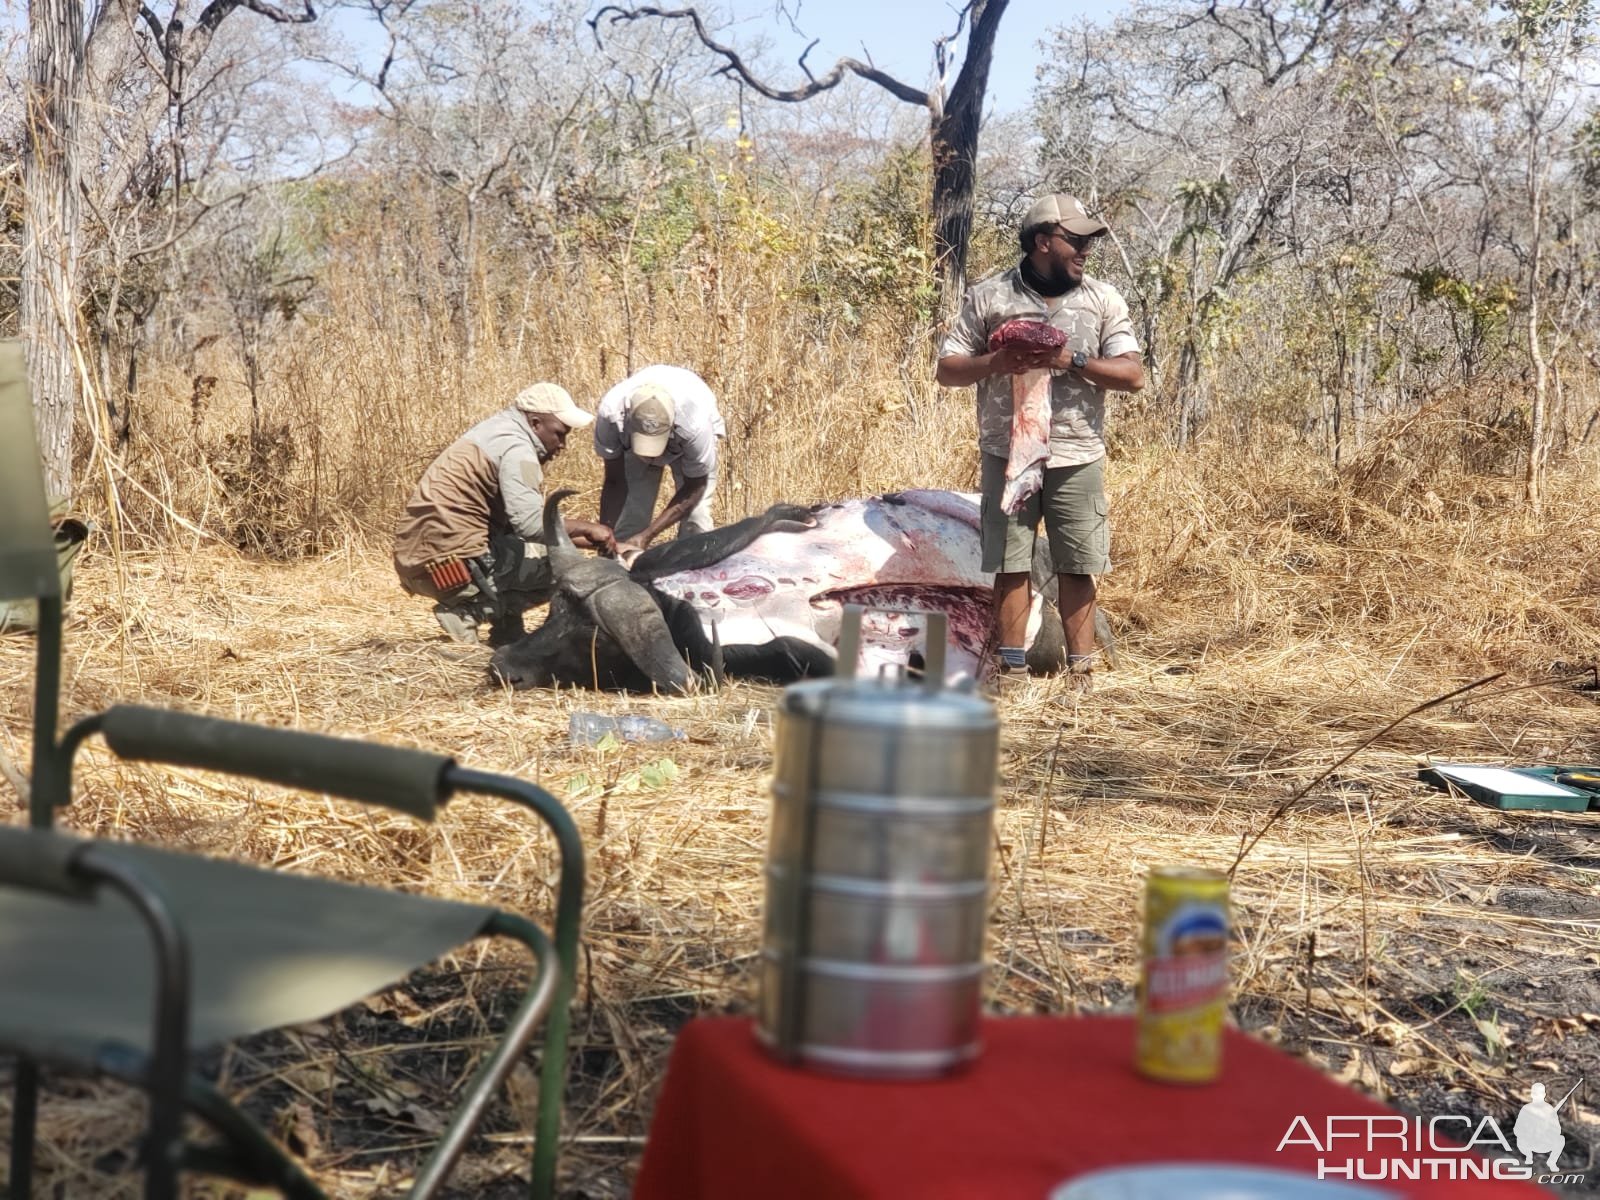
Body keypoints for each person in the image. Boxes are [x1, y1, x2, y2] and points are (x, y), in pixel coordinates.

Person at [935, 193, 1145, 694]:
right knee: (1010, 563)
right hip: (1008, 455)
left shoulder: (1102, 299)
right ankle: (1013, 675)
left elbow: (1133, 375)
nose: (1085, 249)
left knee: (1079, 563)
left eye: (1088, 240)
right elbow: (947, 369)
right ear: (1043, 241)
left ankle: (1082, 677)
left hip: (1077, 454)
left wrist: (1070, 361)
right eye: (1075, 239)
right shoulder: (989, 297)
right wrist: (994, 363)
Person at [393, 382, 615, 645]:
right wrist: (589, 527)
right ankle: (467, 611)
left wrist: (595, 541)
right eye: (559, 433)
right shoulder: (519, 450)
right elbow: (531, 525)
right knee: (566, 568)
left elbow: (518, 526)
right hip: (452, 563)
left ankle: (507, 633)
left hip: (421, 562)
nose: (563, 444)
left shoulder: (496, 433)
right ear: (535, 423)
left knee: (525, 550)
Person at [593, 364, 726, 557]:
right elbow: (614, 481)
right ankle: (621, 570)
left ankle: (693, 568)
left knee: (696, 520)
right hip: (631, 438)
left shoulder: (695, 424)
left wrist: (647, 535)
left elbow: (695, 487)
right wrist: (605, 535)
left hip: (685, 445)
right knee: (631, 516)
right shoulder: (611, 414)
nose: (650, 456)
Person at [1514, 1082, 1565, 1171]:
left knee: (1560, 1139)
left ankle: (1552, 1162)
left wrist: (1547, 1129)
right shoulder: (1526, 1109)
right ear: (1532, 1094)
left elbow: (1558, 1130)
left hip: (1544, 1142)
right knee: (1520, 1140)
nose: (1538, 1096)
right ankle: (1528, 1156)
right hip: (1529, 1142)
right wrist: (1529, 1130)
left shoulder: (1549, 1109)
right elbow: (1517, 1129)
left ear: (1544, 1095)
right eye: (1535, 1093)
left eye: (1540, 1093)